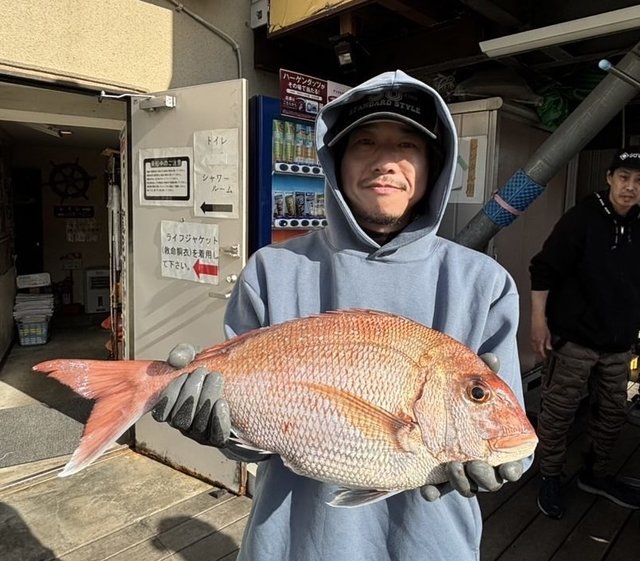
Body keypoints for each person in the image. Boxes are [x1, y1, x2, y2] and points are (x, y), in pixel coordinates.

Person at [153, 70, 531, 561]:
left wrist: (499, 465)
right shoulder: (271, 270)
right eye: (365, 142)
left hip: (432, 546)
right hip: (293, 545)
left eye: (408, 145)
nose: (385, 161)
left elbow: (510, 438)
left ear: (433, 165)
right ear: (336, 162)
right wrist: (220, 430)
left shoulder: (484, 283)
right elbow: (247, 435)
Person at [530, 146, 640, 519]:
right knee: (558, 412)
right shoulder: (582, 218)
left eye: (639, 181)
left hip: (619, 343)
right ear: (610, 178)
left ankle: (595, 474)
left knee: (612, 413)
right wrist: (539, 322)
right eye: (623, 177)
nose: (630, 187)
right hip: (574, 339)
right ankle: (549, 475)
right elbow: (543, 269)